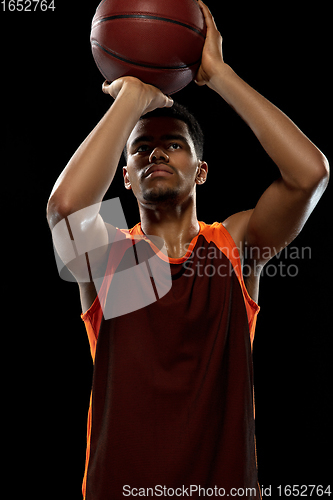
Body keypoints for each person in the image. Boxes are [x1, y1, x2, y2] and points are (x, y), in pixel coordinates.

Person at [47, 2, 329, 499]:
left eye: (174, 144)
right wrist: (129, 103)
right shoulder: (112, 254)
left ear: (201, 171)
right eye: (139, 149)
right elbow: (66, 208)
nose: (156, 152)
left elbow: (310, 174)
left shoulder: (233, 246)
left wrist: (218, 75)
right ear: (126, 177)